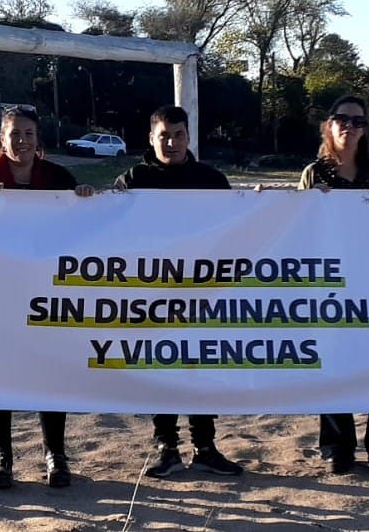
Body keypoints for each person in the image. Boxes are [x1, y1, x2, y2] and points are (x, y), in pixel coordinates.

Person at [0, 104, 95, 490]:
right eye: (14, 134)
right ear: (0, 140)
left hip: (47, 290)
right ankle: (1, 453)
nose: (21, 141)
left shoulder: (58, 177)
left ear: (39, 141)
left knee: (48, 371)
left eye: (28, 134)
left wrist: (83, 196)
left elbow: (87, 221)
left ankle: (55, 452)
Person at [113, 104, 245, 479]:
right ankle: (165, 447)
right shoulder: (132, 180)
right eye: (163, 136)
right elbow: (108, 228)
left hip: (204, 292)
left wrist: (260, 201)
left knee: (200, 365)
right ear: (151, 138)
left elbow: (240, 225)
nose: (171, 143)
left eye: (178, 135)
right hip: (151, 293)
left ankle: (205, 446)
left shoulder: (212, 180)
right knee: (162, 366)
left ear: (189, 136)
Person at [296, 94, 369, 477]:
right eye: (341, 119)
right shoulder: (314, 174)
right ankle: (337, 446)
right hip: (331, 283)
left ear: (366, 129)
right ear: (328, 125)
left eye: (358, 121)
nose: (349, 126)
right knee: (334, 363)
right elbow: (298, 229)